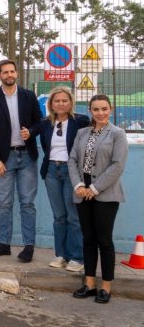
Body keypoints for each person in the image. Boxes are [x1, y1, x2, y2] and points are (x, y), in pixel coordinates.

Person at [69, 94, 128, 304]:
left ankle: (106, 286)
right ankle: (90, 283)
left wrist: (94, 188)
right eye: (96, 109)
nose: (100, 113)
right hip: (82, 193)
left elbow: (117, 166)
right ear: (90, 111)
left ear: (111, 109)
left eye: (104, 109)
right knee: (88, 240)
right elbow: (72, 159)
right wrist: (78, 185)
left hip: (105, 194)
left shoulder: (117, 134)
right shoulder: (82, 133)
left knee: (104, 240)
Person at [0, 59, 42, 262]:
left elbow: (39, 121)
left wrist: (31, 131)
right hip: (4, 158)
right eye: (5, 72)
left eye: (12, 71)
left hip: (27, 157)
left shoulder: (28, 96)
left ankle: (28, 246)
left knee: (27, 203)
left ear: (16, 73)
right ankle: (4, 244)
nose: (9, 75)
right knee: (4, 203)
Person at [38, 86, 89, 273]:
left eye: (64, 100)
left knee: (73, 216)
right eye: (57, 101)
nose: (60, 104)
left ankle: (76, 257)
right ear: (51, 104)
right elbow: (46, 146)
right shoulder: (45, 123)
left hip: (71, 171)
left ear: (71, 103)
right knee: (58, 216)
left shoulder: (81, 121)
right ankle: (60, 255)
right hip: (52, 170)